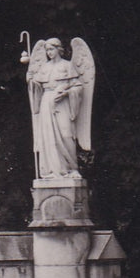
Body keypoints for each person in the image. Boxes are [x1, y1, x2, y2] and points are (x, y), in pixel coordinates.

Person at [27, 36, 94, 179]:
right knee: (48, 137)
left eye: (51, 49)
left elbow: (78, 86)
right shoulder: (44, 68)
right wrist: (31, 80)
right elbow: (37, 88)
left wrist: (67, 93)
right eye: (47, 50)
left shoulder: (67, 66)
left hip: (63, 103)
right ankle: (52, 171)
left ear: (59, 49)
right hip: (46, 102)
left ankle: (72, 168)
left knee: (66, 134)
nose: (49, 53)